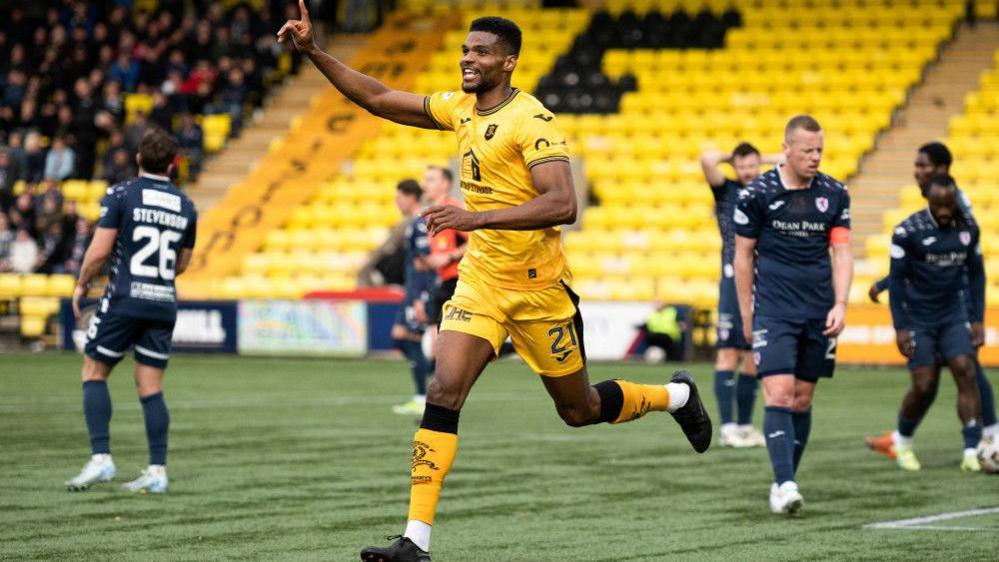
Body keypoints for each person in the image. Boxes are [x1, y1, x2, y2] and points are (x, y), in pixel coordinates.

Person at [279, 6, 712, 560]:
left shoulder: (533, 121)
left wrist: (475, 217)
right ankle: (416, 539)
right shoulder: (459, 108)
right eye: (465, 50)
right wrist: (314, 53)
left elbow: (563, 203)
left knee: (577, 410)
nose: (467, 58)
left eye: (480, 52)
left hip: (538, 290)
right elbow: (380, 98)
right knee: (443, 392)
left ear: (508, 62)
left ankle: (675, 396)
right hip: (481, 280)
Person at [65, 129, 198, 494]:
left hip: (125, 297)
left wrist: (81, 284)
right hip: (163, 300)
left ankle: (101, 458)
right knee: (151, 387)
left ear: (138, 159)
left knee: (94, 371)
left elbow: (98, 252)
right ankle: (157, 470)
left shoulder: (122, 194)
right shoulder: (186, 205)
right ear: (173, 166)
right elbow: (182, 263)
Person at [734, 115, 853, 515]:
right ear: (786, 149)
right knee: (780, 393)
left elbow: (843, 252)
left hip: (819, 311)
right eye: (807, 150)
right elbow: (743, 255)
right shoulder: (757, 194)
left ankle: (784, 479)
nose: (815, 157)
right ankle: (786, 483)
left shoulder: (835, 193)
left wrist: (840, 302)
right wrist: (747, 312)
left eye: (820, 149)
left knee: (802, 399)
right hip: (774, 310)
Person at [867, 142, 997, 447]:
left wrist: (975, 315)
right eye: (916, 166)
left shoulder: (954, 204)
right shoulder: (936, 204)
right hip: (936, 302)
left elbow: (958, 254)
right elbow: (925, 254)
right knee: (938, 377)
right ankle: (906, 437)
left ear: (941, 169)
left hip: (956, 302)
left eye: (923, 165)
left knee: (968, 370)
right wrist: (888, 283)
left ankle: (989, 436)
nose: (918, 171)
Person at [700, 144, 782, 448]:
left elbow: (790, 160)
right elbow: (707, 158)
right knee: (728, 353)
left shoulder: (767, 190)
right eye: (742, 166)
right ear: (735, 167)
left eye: (752, 166)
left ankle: (745, 427)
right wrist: (730, 157)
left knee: (753, 357)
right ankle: (728, 427)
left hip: (762, 280)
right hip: (733, 281)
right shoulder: (726, 190)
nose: (747, 172)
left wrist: (763, 159)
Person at [391, 179, 435, 416]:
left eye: (399, 197)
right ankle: (430, 369)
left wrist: (418, 296)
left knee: (411, 337)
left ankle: (422, 395)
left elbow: (423, 262)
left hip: (419, 290)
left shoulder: (420, 223)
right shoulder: (411, 223)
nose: (397, 202)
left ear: (410, 197)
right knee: (399, 337)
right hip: (412, 289)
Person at [418, 165, 466, 362]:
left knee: (441, 344)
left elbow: (478, 241)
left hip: (460, 281)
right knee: (436, 345)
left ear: (445, 184)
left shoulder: (454, 209)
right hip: (443, 282)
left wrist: (450, 257)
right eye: (425, 179)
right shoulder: (432, 214)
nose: (425, 185)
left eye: (430, 179)